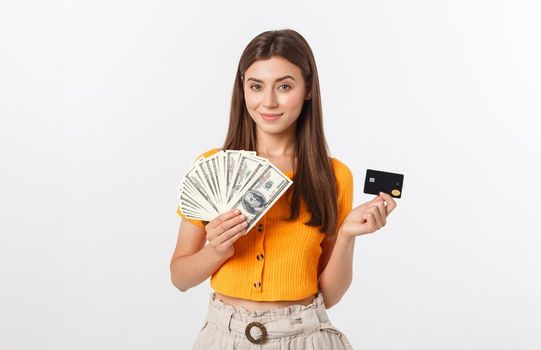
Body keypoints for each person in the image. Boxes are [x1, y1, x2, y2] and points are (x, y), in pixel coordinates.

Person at [169, 29, 398, 349]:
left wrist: (346, 235)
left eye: (285, 86)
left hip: (306, 337)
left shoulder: (333, 176)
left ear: (307, 90)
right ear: (242, 90)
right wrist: (216, 250)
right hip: (223, 337)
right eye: (256, 86)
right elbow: (179, 277)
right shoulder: (211, 166)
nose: (269, 102)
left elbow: (329, 296)